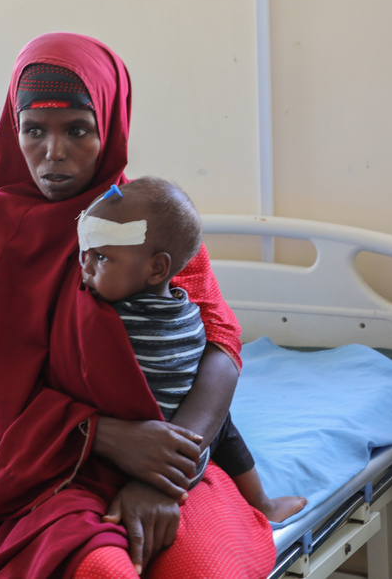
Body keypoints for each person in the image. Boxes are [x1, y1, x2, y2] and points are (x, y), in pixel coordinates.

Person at [0, 33, 276, 579]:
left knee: (205, 572)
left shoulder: (144, 223)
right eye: (35, 130)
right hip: (33, 468)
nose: (54, 152)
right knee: (100, 573)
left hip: (168, 456)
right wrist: (107, 437)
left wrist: (163, 472)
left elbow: (220, 345)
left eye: (78, 130)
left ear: (108, 126)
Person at [77, 177, 307, 523]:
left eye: (101, 257)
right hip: (190, 453)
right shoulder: (188, 311)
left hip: (139, 456)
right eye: (85, 255)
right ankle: (261, 501)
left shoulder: (109, 317)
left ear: (157, 268)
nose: (86, 267)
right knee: (223, 421)